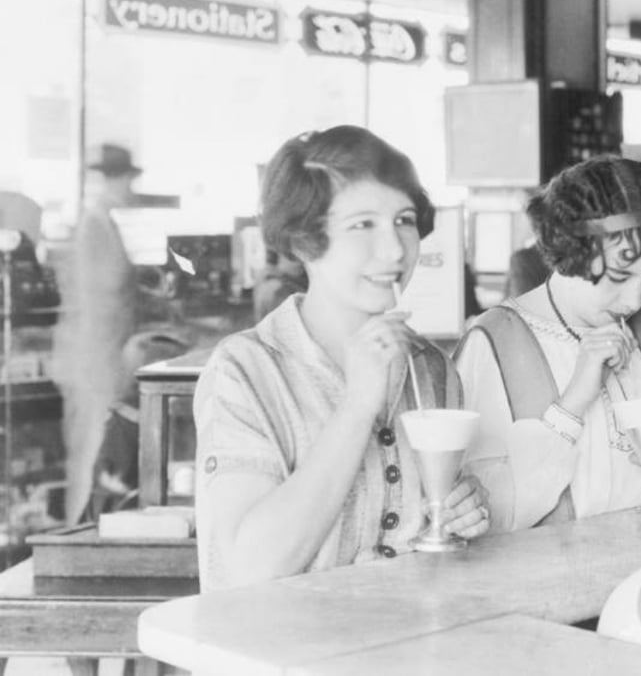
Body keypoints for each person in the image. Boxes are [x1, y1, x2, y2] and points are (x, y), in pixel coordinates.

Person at [193, 126, 489, 591]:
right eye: (362, 225)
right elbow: (248, 567)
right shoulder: (246, 370)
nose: (394, 250)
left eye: (405, 220)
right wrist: (357, 406)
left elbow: (435, 538)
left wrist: (464, 510)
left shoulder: (431, 366)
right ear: (303, 241)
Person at [454, 156, 641, 532]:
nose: (634, 300)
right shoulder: (496, 341)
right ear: (570, 251)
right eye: (619, 276)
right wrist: (573, 403)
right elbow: (488, 516)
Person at [53, 142, 144, 524]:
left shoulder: (102, 220)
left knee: (94, 449)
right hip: (95, 356)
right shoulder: (95, 222)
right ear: (116, 179)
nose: (130, 189)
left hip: (102, 351)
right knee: (91, 451)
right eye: (127, 180)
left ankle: (86, 525)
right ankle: (82, 529)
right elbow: (107, 285)